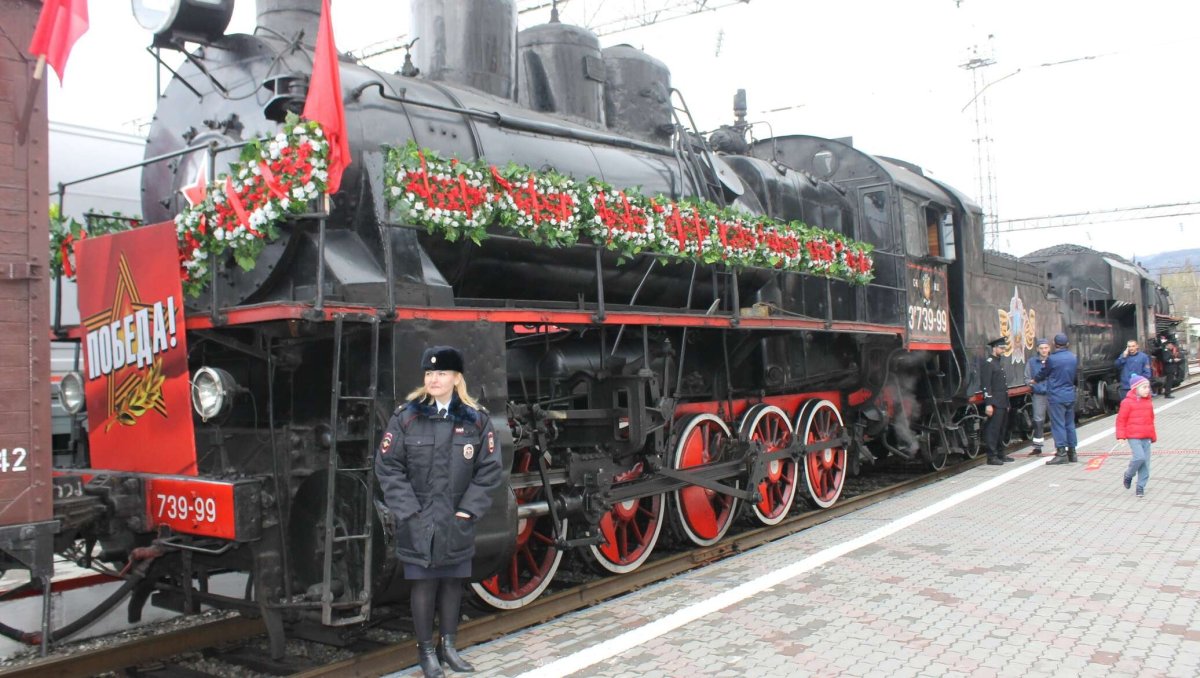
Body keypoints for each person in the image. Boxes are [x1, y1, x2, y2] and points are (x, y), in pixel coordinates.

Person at [375, 346, 504, 678]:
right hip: (418, 520)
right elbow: (388, 467)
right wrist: (409, 511)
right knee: (423, 585)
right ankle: (427, 653)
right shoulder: (406, 417)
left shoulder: (476, 420)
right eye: (429, 373)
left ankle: (449, 647)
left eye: (442, 373)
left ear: (456, 378)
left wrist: (467, 512)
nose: (434, 378)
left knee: (452, 582)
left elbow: (489, 471)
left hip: (456, 519)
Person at [1036, 333, 1079, 465]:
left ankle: (1061, 453)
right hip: (1069, 394)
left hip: (1057, 396)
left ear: (1054, 344)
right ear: (1067, 344)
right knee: (1070, 424)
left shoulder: (1052, 359)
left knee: (1058, 424)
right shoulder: (1073, 357)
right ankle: (1072, 452)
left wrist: (1035, 379)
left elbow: (1044, 373)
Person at [1116, 374, 1156, 497]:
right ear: (1135, 389)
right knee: (1139, 457)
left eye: (1148, 387)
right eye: (1144, 387)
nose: (1147, 390)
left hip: (1146, 436)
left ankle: (1140, 487)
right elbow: (1121, 420)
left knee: (1145, 464)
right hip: (1133, 436)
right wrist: (1121, 436)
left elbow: (1151, 420)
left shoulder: (1148, 402)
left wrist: (1153, 436)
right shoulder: (1127, 403)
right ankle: (1128, 474)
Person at [981, 336, 1015, 465]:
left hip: (1002, 401)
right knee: (993, 430)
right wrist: (988, 404)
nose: (1003, 350)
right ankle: (992, 456)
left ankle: (1001, 453)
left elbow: (1003, 385)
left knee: (1002, 429)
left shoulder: (998, 362)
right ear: (994, 348)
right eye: (1001, 348)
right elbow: (986, 385)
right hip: (995, 402)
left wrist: (1007, 403)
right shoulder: (989, 363)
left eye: (1004, 348)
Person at [1024, 337, 1051, 455]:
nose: (1044, 350)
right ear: (1037, 349)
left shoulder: (1053, 360)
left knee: (1056, 419)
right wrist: (1033, 384)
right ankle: (1037, 446)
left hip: (1052, 394)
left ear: (1049, 348)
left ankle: (1060, 446)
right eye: (1041, 348)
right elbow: (1026, 378)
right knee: (1038, 420)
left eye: (1046, 348)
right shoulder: (1031, 362)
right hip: (1039, 394)